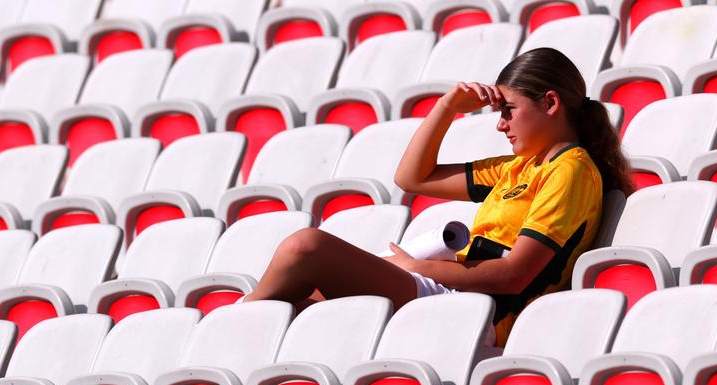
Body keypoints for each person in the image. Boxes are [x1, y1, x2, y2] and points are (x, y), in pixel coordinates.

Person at [242, 47, 633, 342]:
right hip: (454, 291)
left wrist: (415, 268)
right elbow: (412, 178)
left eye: (509, 110)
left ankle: (237, 319)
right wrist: (447, 108)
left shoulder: (572, 169)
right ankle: (240, 324)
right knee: (298, 300)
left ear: (550, 103)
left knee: (305, 248)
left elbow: (516, 275)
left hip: (480, 309)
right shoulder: (518, 166)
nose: (500, 124)